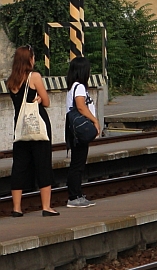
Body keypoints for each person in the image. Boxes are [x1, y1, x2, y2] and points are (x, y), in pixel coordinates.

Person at [7, 46, 58, 216]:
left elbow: (18, 101)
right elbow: (47, 101)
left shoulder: (11, 81)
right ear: (29, 59)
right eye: (33, 57)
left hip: (20, 129)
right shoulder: (34, 77)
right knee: (43, 164)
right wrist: (38, 98)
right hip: (38, 127)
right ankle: (46, 207)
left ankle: (16, 208)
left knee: (19, 166)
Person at [65, 56, 100, 208]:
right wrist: (95, 120)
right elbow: (80, 106)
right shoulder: (79, 87)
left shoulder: (72, 86)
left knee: (77, 162)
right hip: (79, 129)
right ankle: (74, 197)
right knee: (77, 164)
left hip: (73, 129)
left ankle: (77, 194)